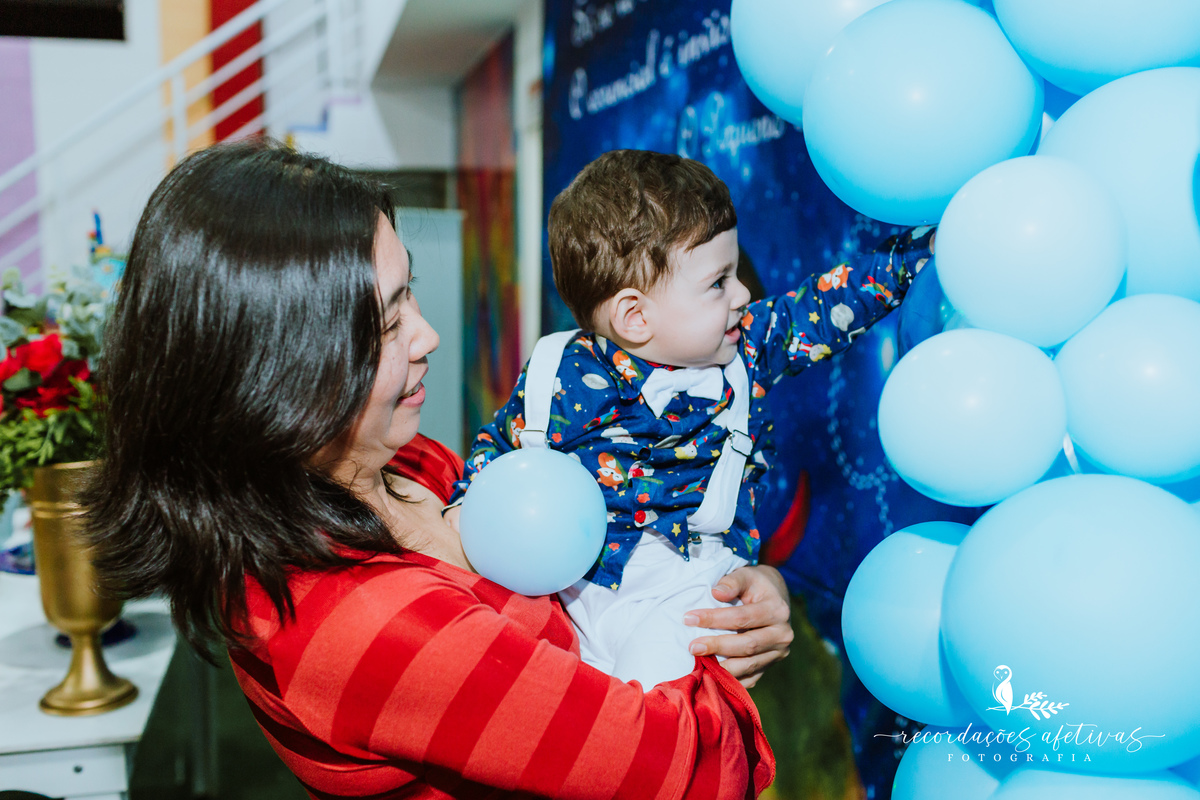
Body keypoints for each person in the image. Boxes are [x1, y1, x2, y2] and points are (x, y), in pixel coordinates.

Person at [83, 140, 792, 799]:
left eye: (408, 294)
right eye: (388, 322)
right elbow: (690, 767)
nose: (429, 335)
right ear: (280, 369)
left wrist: (737, 585)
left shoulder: (407, 465)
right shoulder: (368, 625)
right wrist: (715, 659)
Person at [447, 150, 934, 688]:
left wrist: (911, 260)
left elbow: (820, 307)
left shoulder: (745, 353)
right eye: (718, 281)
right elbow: (500, 453)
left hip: (693, 589)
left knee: (648, 727)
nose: (743, 294)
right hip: (573, 594)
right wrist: (463, 511)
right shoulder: (563, 375)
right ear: (635, 316)